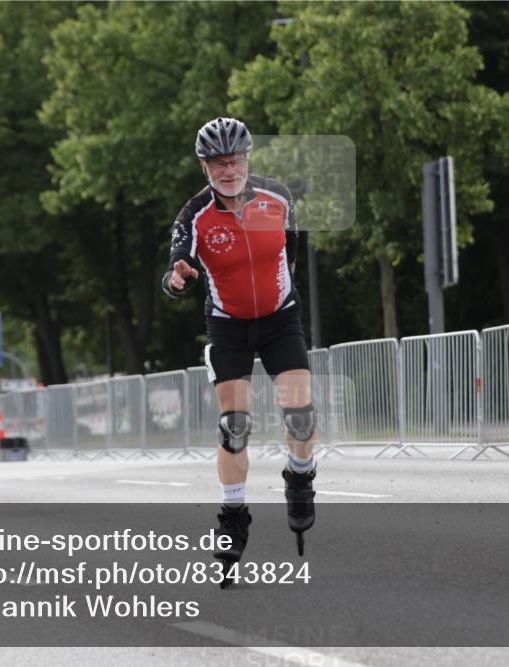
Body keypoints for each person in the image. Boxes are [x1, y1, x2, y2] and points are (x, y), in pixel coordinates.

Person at [163, 117, 319, 573]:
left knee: (302, 416)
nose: (227, 170)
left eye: (234, 160)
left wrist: (276, 295)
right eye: (217, 163)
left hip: (279, 319)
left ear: (247, 159)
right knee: (234, 426)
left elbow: (289, 256)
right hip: (228, 326)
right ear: (204, 167)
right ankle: (233, 517)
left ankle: (300, 476)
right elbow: (176, 270)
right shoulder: (193, 216)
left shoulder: (279, 200)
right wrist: (178, 279)